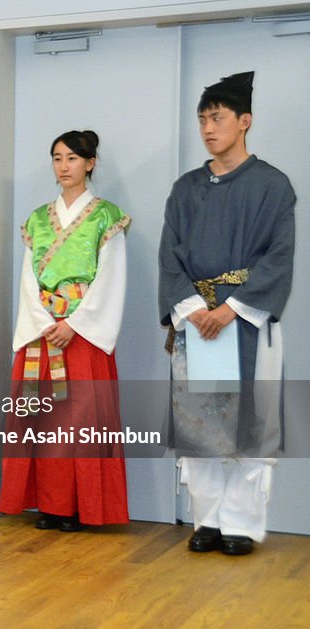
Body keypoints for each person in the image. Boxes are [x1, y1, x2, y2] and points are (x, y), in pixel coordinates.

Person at [158, 72, 295, 556]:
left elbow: (279, 257)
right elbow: (169, 254)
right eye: (202, 119)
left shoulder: (273, 185)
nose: (208, 128)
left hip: (243, 324)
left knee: (248, 424)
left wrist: (231, 309)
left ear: (245, 122)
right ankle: (208, 519)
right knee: (202, 423)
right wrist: (196, 310)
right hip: (199, 323)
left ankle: (240, 522)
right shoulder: (186, 188)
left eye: (217, 118)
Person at [0, 130, 131, 531]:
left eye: (72, 158)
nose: (64, 166)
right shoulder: (38, 220)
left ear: (90, 163)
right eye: (57, 158)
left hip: (82, 335)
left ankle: (79, 506)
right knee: (43, 420)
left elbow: (112, 277)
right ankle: (48, 503)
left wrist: (75, 323)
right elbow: (27, 278)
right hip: (44, 333)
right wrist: (44, 321)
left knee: (80, 422)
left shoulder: (106, 216)